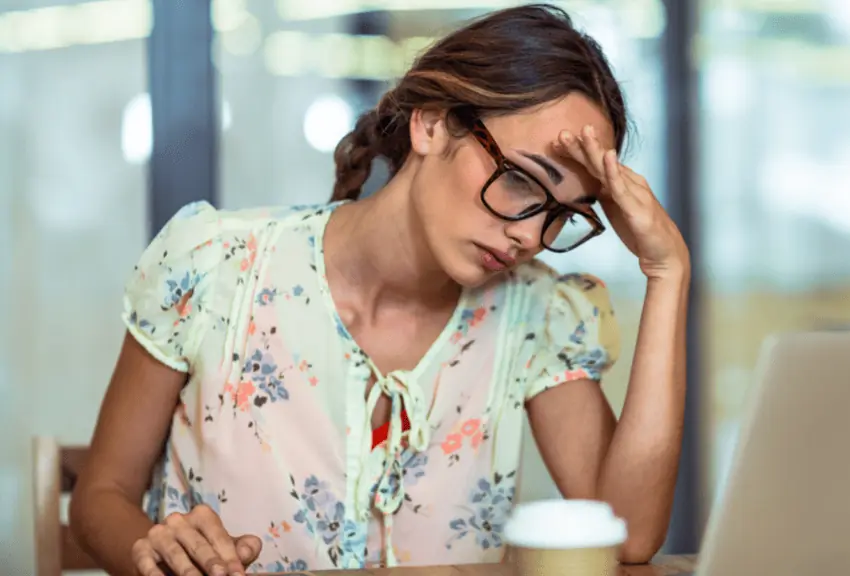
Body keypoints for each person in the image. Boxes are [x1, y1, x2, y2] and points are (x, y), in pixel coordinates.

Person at [69, 4, 690, 575]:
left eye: (562, 214)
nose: (531, 235)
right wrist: (158, 552)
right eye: (524, 182)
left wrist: (667, 273)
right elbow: (101, 496)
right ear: (431, 125)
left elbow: (629, 538)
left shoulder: (539, 313)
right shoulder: (216, 264)